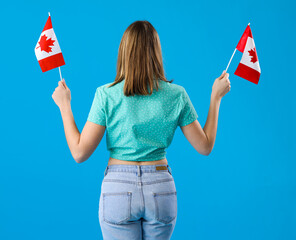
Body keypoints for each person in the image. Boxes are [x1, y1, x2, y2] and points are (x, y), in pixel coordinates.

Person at [52, 20, 230, 240]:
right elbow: (205, 146)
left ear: (124, 52)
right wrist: (216, 97)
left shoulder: (106, 95)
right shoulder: (176, 94)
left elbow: (79, 152)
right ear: (156, 52)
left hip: (118, 187)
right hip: (160, 187)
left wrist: (64, 105)